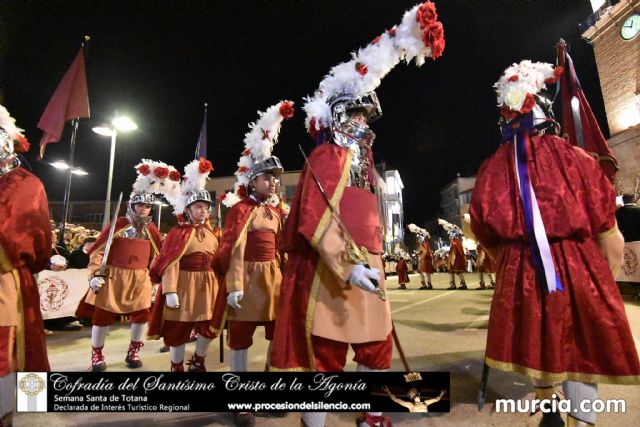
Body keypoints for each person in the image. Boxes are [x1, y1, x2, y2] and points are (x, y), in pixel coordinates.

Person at [269, 4, 446, 426]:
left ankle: (371, 412)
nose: (364, 123)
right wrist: (348, 266)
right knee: (325, 353)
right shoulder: (328, 155)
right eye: (357, 114)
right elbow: (313, 215)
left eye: (367, 116)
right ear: (339, 117)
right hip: (333, 268)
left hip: (370, 264)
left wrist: (376, 258)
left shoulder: (366, 164)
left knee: (375, 345)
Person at [470, 60, 640, 427]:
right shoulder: (576, 158)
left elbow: (482, 226)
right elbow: (604, 219)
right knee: (580, 346)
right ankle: (584, 419)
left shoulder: (492, 167)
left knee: (537, 338)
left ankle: (549, 411)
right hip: (577, 264)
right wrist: (605, 270)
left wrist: (507, 258)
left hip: (520, 267)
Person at [211, 101, 293, 427]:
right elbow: (232, 248)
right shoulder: (240, 210)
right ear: (252, 181)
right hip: (246, 277)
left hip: (272, 277)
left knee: (277, 337)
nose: (272, 183)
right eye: (266, 178)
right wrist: (233, 285)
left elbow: (284, 250)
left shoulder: (277, 212)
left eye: (275, 179)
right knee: (241, 339)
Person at [75, 160, 166, 371]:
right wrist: (95, 275)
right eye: (141, 205)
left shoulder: (152, 230)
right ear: (132, 205)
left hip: (140, 278)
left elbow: (157, 257)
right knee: (103, 316)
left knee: (143, 315)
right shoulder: (118, 225)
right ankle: (96, 355)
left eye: (148, 206)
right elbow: (97, 252)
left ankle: (133, 351)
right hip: (113, 276)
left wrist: (154, 278)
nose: (144, 209)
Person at [0, 105, 51, 425]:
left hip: (6, 281)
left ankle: (4, 414)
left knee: (6, 349)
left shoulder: (27, 184)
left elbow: (40, 240)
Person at [148, 157, 219, 372]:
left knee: (209, 328)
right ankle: (176, 365)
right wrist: (170, 290)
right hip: (183, 285)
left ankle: (198, 360)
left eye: (206, 207)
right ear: (188, 209)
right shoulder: (178, 233)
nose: (204, 211)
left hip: (208, 286)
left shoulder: (211, 233)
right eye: (199, 207)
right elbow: (170, 262)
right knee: (178, 329)